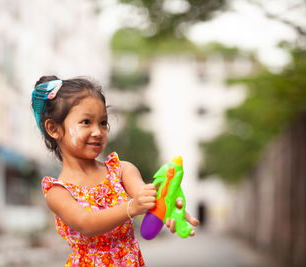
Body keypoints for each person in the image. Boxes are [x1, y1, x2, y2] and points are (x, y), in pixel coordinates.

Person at [31, 76, 199, 266]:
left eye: (103, 123)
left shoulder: (121, 171)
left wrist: (166, 205)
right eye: (86, 122)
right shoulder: (57, 192)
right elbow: (86, 223)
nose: (98, 131)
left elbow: (146, 198)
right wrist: (131, 208)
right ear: (54, 129)